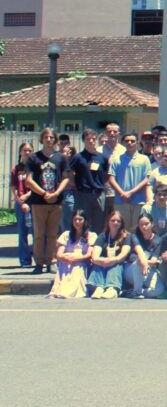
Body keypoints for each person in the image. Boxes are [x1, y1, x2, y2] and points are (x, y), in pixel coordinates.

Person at [25, 128, 71, 274]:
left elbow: (66, 178)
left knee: (52, 234)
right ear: (42, 139)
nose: (49, 140)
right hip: (39, 201)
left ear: (55, 140)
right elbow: (29, 180)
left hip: (56, 201)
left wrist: (56, 193)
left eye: (51, 137)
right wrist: (44, 193)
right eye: (46, 137)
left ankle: (51, 261)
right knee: (39, 234)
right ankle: (39, 263)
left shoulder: (61, 158)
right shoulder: (34, 158)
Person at [49, 211, 95, 299]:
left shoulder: (91, 235)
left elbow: (89, 254)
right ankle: (58, 290)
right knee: (63, 263)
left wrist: (76, 258)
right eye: (75, 219)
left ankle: (71, 291)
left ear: (85, 221)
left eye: (80, 219)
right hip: (67, 261)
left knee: (77, 264)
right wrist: (66, 258)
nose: (77, 222)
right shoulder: (66, 234)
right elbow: (59, 254)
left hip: (82, 261)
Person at [87, 209, 132, 299]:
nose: (115, 223)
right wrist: (104, 261)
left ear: (121, 223)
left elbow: (123, 255)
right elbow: (95, 256)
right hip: (103, 264)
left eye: (118, 221)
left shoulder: (126, 236)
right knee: (98, 263)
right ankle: (99, 287)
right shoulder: (102, 236)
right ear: (108, 222)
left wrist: (113, 260)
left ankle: (112, 288)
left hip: (120, 265)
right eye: (113, 220)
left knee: (116, 264)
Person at [125, 213, 163, 299]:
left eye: (146, 224)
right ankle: (137, 292)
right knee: (139, 262)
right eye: (141, 225)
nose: (144, 227)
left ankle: (130, 292)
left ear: (152, 224)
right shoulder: (134, 236)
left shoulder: (158, 240)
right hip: (131, 269)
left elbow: (154, 260)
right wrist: (143, 262)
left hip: (148, 270)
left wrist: (146, 263)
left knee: (158, 290)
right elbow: (140, 253)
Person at [11, 142, 35, 268]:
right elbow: (13, 186)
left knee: (36, 232)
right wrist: (19, 200)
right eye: (25, 150)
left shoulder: (35, 168)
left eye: (30, 150)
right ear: (20, 152)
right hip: (20, 203)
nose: (27, 153)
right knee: (22, 232)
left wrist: (27, 196)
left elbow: (37, 186)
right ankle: (25, 260)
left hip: (33, 202)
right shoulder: (16, 169)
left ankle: (39, 259)